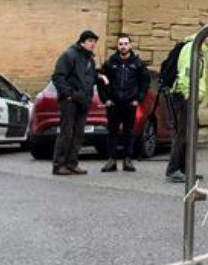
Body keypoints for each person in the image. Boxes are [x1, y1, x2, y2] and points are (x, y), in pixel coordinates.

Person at [166, 29, 208, 183]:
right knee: (183, 133)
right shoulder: (191, 48)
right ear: (206, 37)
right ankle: (173, 170)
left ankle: (184, 170)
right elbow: (185, 72)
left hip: (191, 96)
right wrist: (187, 92)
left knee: (190, 133)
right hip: (185, 96)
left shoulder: (199, 50)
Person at [51, 30, 103, 176]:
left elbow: (89, 79)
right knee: (66, 133)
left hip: (83, 101)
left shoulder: (90, 60)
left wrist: (98, 80)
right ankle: (59, 165)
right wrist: (67, 94)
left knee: (78, 134)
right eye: (90, 41)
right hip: (70, 101)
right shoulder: (70, 55)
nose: (93, 44)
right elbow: (58, 77)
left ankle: (72, 163)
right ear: (82, 42)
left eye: (94, 42)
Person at [98, 33, 150, 172]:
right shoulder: (110, 63)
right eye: (120, 44)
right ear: (117, 46)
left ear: (130, 45)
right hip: (114, 103)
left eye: (125, 44)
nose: (123, 47)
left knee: (129, 132)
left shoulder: (137, 64)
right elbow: (101, 83)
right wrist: (106, 99)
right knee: (112, 132)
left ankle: (128, 159)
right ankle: (112, 160)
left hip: (129, 103)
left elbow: (145, 83)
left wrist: (138, 99)